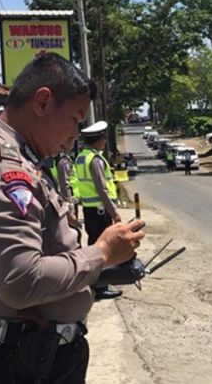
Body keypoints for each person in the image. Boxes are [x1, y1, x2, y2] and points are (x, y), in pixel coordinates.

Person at [0, 53, 146, 384]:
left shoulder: (24, 158)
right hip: (20, 360)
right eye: (74, 119)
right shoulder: (4, 170)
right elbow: (21, 280)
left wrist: (102, 268)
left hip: (34, 352)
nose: (75, 134)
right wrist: (101, 253)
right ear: (42, 102)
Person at [74, 120, 126, 300]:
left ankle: (96, 282)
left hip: (90, 209)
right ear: (98, 139)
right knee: (102, 248)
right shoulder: (94, 160)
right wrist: (115, 213)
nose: (105, 141)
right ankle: (101, 285)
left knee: (94, 244)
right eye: (103, 138)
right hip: (100, 210)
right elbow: (102, 189)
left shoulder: (81, 157)